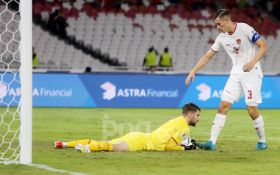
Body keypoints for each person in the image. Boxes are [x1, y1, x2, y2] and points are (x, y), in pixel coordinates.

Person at [185, 9, 268, 150]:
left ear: (226, 20)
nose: (217, 27)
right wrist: (193, 71)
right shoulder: (222, 38)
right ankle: (211, 142)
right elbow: (207, 56)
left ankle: (262, 141)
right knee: (223, 105)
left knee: (252, 110)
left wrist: (252, 62)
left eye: (218, 24)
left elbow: (263, 46)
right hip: (236, 73)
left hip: (252, 73)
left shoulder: (244, 29)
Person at [54, 103, 201, 153]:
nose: (198, 119)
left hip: (139, 137)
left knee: (107, 145)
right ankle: (83, 147)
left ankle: (64, 144)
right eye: (197, 115)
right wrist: (184, 148)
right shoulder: (183, 127)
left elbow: (171, 141)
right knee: (113, 148)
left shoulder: (178, 121)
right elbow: (170, 147)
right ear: (189, 114)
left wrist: (186, 144)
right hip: (140, 141)